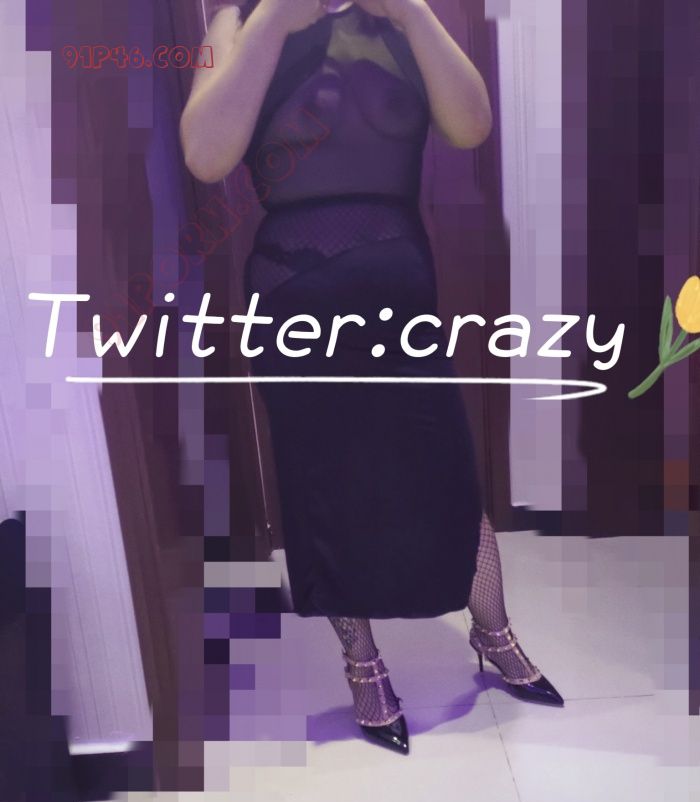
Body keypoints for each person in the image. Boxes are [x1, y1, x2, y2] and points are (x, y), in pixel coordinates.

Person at [180, 0, 563, 756]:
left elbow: (471, 125)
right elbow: (206, 155)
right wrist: (273, 20)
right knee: (324, 488)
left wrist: (414, 11)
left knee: (446, 473)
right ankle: (363, 664)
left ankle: (493, 632)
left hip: (400, 294)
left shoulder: (401, 19)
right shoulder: (237, 22)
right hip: (293, 297)